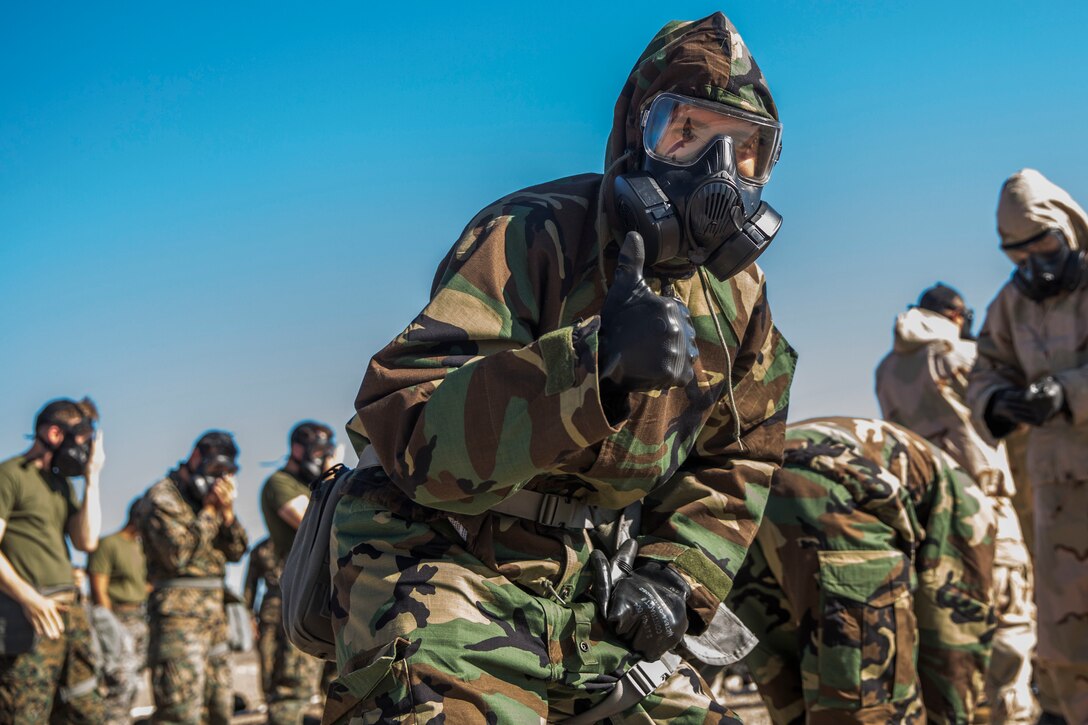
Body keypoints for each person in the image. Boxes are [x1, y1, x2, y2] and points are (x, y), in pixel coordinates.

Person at [327, 11, 796, 724]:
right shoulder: (531, 233)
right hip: (447, 563)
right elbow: (410, 430)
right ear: (634, 135)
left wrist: (672, 579)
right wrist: (593, 366)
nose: (718, 175)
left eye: (745, 150)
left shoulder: (739, 299)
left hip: (593, 585)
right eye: (687, 132)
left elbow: (739, 457)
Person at [729, 417, 997, 724]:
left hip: (744, 491)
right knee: (870, 708)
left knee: (789, 691)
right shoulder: (975, 513)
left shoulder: (934, 472)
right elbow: (954, 643)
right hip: (831, 495)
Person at [876, 283, 1037, 724]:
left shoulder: (886, 369)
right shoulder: (960, 356)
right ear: (955, 314)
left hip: (925, 517)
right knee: (1009, 620)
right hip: (984, 509)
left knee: (944, 629)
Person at [967, 168, 1088, 724]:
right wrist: (997, 402)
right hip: (1054, 498)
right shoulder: (1010, 305)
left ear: (1068, 229)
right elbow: (985, 369)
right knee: (1062, 641)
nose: (1035, 262)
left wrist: (1066, 392)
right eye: (1019, 254)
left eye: (1044, 244)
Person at [0, 397, 105, 721]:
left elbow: (86, 540)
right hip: (29, 617)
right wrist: (29, 598)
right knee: (25, 715)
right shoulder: (10, 475)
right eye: (82, 440)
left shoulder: (61, 485)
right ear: (56, 434)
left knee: (85, 713)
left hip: (68, 615)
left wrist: (92, 479)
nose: (84, 450)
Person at [138, 430, 248, 724]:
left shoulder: (209, 502)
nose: (218, 479)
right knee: (180, 711)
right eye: (214, 470)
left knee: (220, 709)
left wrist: (227, 513)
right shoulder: (162, 496)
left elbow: (237, 550)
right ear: (196, 458)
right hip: (178, 619)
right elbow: (177, 555)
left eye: (226, 473)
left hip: (214, 617)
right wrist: (211, 510)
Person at [259, 421, 338, 724]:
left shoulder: (316, 485)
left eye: (327, 452)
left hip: (331, 592)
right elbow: (316, 524)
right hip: (301, 594)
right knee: (293, 690)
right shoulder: (280, 483)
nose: (322, 458)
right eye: (318, 451)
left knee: (339, 684)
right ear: (297, 449)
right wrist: (332, 479)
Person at [88, 498, 150, 722]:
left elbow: (144, 584)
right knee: (120, 682)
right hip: (118, 620)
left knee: (135, 681)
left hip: (141, 619)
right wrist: (110, 626)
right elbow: (98, 587)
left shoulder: (140, 548)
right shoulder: (108, 544)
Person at [243, 536, 281, 702]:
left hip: (297, 608)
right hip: (269, 614)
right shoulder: (261, 549)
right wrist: (250, 618)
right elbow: (249, 586)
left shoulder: (300, 540)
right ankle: (268, 696)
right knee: (266, 654)